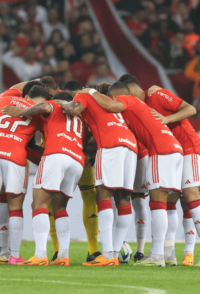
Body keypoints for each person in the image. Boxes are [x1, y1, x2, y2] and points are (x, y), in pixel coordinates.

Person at [79, 79, 185, 267]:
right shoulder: (136, 109)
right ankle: (166, 254)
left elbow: (111, 105)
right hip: (174, 148)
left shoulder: (127, 99)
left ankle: (157, 255)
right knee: (164, 204)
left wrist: (91, 92)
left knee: (157, 203)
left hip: (161, 150)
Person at [58, 84, 138, 267]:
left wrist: (60, 102)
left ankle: (107, 254)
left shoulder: (84, 95)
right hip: (130, 145)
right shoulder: (111, 101)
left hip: (110, 145)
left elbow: (74, 109)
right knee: (123, 197)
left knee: (102, 194)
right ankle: (115, 253)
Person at [1, 91, 85, 266]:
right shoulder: (81, 119)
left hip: (56, 155)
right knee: (60, 207)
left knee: (38, 204)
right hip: (77, 160)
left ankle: (40, 254)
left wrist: (20, 112)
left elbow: (44, 106)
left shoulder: (54, 105)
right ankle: (63, 255)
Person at [0, 85, 52, 265]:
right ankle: (14, 256)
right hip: (15, 159)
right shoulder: (38, 113)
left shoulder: (6, 99)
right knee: (15, 207)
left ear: (26, 94)